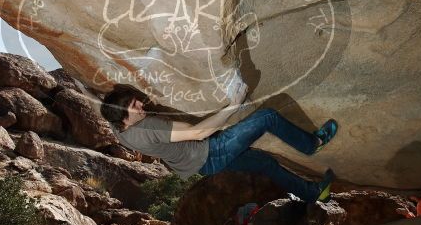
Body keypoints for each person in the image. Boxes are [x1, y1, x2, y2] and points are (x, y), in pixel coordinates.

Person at [100, 84, 338, 203]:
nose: (141, 104)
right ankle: (312, 143)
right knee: (268, 117)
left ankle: (313, 193)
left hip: (199, 166)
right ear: (124, 117)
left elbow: (104, 104)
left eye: (136, 101)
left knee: (266, 163)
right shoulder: (149, 127)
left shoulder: (118, 128)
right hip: (210, 152)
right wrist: (233, 104)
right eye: (134, 106)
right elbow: (199, 132)